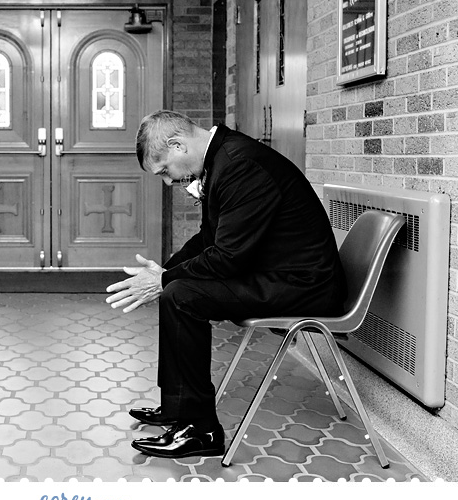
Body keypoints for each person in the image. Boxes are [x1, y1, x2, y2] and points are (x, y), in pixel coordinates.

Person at [105, 110, 347, 459]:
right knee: (175, 290)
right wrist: (165, 271)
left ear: (177, 145)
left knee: (181, 296)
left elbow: (228, 258)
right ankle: (178, 409)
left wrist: (165, 280)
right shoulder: (224, 158)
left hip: (304, 285)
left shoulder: (239, 165)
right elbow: (209, 239)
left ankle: (201, 429)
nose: (168, 181)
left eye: (164, 171)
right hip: (278, 276)